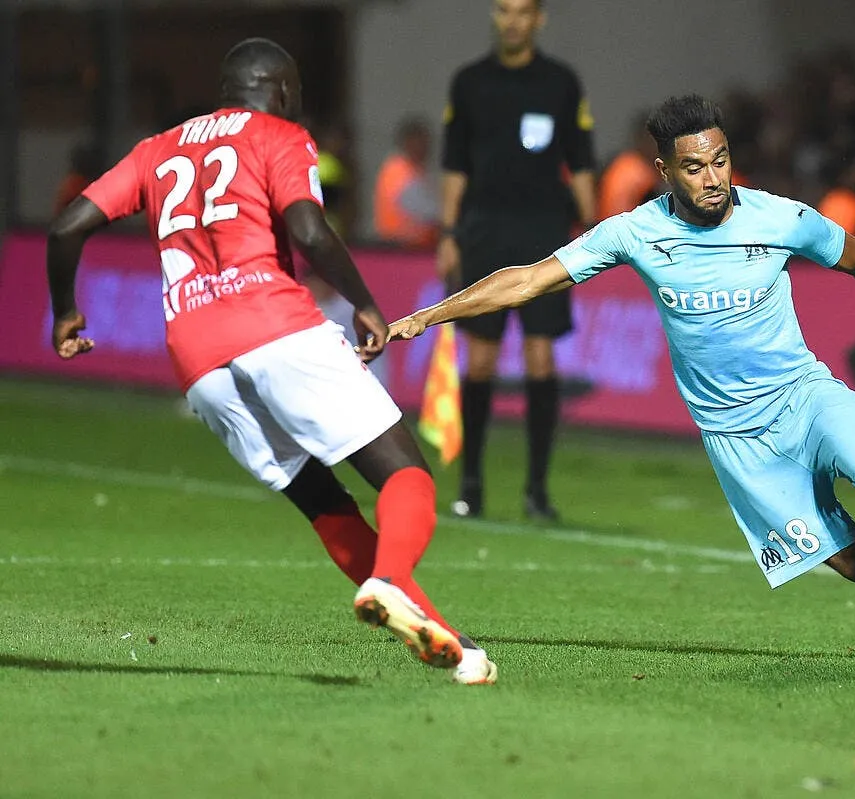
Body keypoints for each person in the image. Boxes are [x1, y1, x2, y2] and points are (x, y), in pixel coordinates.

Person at [387, 95, 855, 655]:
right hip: (738, 442)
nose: (713, 177)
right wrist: (428, 316)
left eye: (721, 160)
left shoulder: (778, 217)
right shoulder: (636, 231)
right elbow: (528, 280)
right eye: (694, 166)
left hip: (805, 396)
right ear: (666, 171)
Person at [44, 38, 496, 686]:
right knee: (405, 474)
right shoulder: (279, 133)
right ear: (281, 90)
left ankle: (439, 630)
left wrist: (65, 311)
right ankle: (391, 577)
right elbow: (309, 230)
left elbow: (66, 227)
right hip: (276, 326)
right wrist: (365, 302)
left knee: (319, 497)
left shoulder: (158, 148)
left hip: (197, 359)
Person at [439, 0, 597, 521]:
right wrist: (449, 232)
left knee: (540, 358)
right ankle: (472, 485)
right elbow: (455, 164)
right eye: (503, 11)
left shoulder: (561, 83)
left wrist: (593, 230)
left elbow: (579, 161)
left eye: (521, 12)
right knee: (480, 360)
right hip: (483, 232)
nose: (511, 20)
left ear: (538, 19)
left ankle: (536, 490)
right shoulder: (468, 82)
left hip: (544, 232)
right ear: (495, 16)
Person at [373, 116, 439, 249]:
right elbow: (423, 209)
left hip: (416, 247)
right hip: (398, 248)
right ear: (407, 142)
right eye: (421, 142)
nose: (426, 147)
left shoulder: (417, 170)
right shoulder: (398, 169)